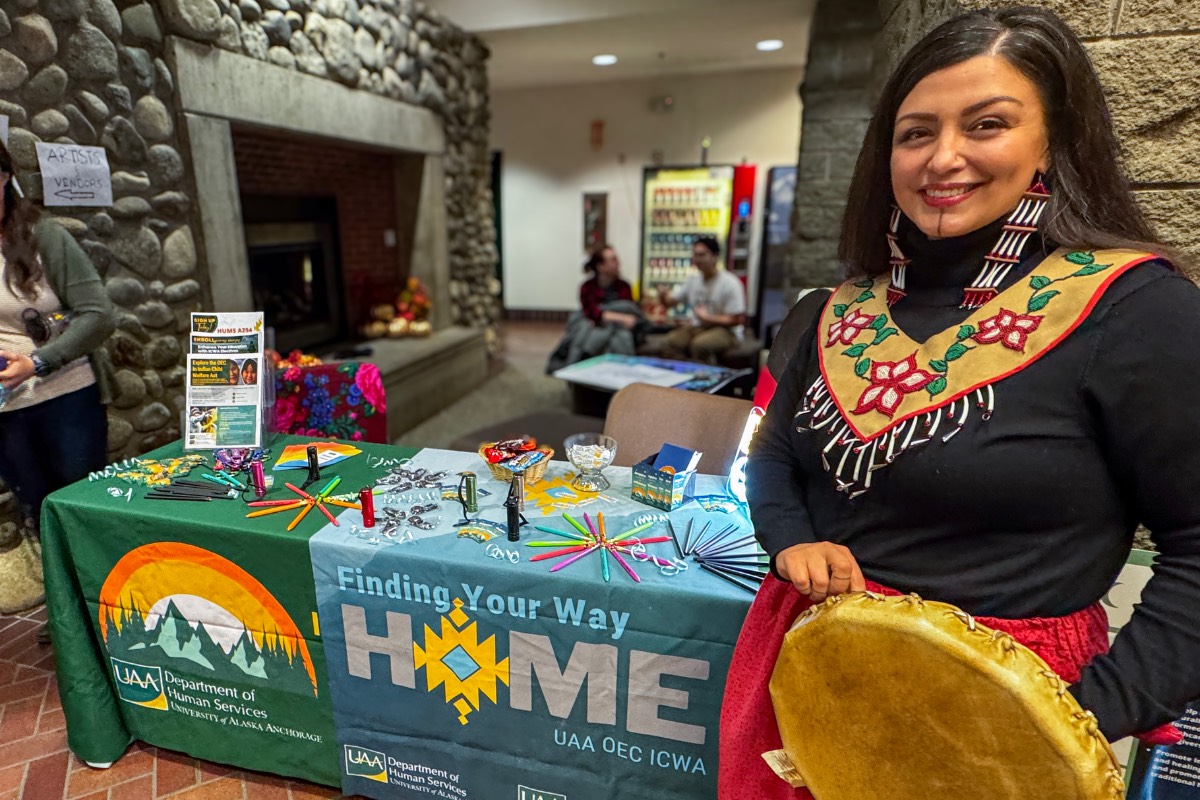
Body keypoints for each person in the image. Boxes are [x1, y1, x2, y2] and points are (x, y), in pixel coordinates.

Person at [720, 7, 1200, 798]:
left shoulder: (1137, 311)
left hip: (1002, 714)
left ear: (1055, 140)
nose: (943, 158)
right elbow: (774, 450)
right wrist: (788, 537)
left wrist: (1074, 718)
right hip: (807, 673)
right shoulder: (832, 310)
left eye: (986, 125)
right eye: (915, 133)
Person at [0, 140, 116, 620]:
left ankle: (110, 608)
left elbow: (99, 315)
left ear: (3, 177)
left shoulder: (44, 236)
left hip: (65, 394)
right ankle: (71, 617)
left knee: (82, 508)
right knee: (39, 513)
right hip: (6, 410)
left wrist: (40, 362)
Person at [545, 245, 643, 373]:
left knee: (615, 336)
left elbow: (629, 310)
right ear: (600, 266)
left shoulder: (624, 286)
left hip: (615, 328)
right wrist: (620, 318)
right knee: (585, 330)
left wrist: (605, 316)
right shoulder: (587, 287)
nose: (618, 263)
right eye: (613, 260)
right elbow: (592, 312)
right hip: (594, 325)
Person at [657, 236, 746, 364]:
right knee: (670, 342)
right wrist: (663, 295)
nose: (697, 259)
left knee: (700, 345)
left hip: (727, 331)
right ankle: (683, 375)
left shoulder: (730, 283)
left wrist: (708, 318)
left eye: (702, 255)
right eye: (695, 255)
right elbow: (669, 303)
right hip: (699, 327)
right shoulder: (693, 280)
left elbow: (738, 319)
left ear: (715, 257)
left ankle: (707, 381)